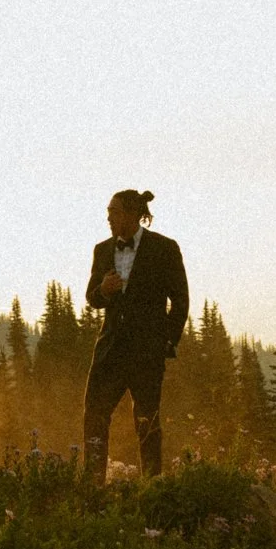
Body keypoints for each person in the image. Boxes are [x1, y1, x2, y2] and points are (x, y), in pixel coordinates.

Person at [81, 188, 189, 483]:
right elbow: (92, 297)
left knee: (147, 421)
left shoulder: (164, 248)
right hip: (110, 351)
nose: (108, 218)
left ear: (131, 214)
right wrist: (104, 290)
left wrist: (166, 341)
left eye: (113, 212)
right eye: (108, 212)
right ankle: (92, 484)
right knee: (95, 414)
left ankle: (152, 485)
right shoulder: (102, 250)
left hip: (147, 352)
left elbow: (180, 300)